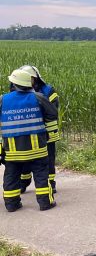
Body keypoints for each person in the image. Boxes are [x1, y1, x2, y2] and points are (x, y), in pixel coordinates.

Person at [1, 68, 58, 212]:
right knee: (41, 176)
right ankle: (45, 203)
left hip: (13, 152)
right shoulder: (39, 97)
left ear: (14, 84)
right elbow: (53, 114)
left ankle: (12, 205)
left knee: (11, 177)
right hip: (37, 149)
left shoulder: (3, 100)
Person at [18, 65, 60, 193]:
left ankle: (50, 183)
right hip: (28, 132)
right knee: (24, 158)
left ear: (35, 79)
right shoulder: (19, 90)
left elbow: (53, 111)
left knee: (48, 159)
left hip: (47, 132)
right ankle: (24, 182)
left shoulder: (48, 91)